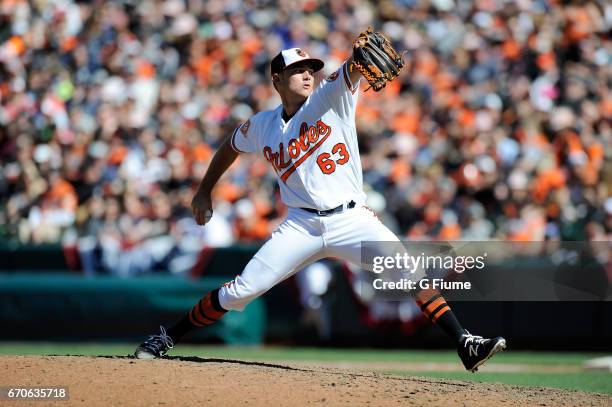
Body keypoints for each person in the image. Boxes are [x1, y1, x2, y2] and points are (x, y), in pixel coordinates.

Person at [134, 44, 507, 372]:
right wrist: (204, 191)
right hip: (301, 226)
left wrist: (358, 60)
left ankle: (464, 343)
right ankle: (167, 336)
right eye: (297, 70)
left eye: (310, 68)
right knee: (241, 291)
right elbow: (230, 146)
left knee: (406, 270)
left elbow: (351, 69)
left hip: (352, 218)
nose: (307, 74)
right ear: (277, 79)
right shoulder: (263, 125)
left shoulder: (330, 96)